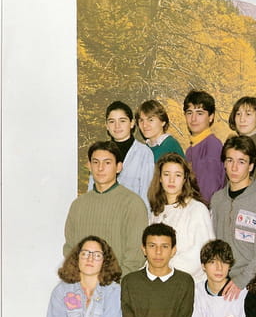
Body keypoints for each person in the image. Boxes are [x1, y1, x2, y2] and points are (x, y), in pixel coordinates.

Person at [210, 135, 256, 298]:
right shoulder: (217, 199)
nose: (234, 167)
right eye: (230, 160)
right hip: (222, 280)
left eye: (241, 162)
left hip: (254, 281)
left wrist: (243, 279)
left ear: (251, 166)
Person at [64, 141, 148, 275]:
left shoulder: (133, 203)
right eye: (95, 162)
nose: (100, 168)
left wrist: (114, 283)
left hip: (118, 283)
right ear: (89, 166)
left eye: (107, 163)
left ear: (118, 167)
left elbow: (135, 257)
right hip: (82, 283)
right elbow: (70, 249)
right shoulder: (78, 205)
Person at [148, 153, 214, 282]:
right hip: (160, 279)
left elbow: (201, 255)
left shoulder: (197, 209)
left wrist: (164, 272)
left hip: (189, 282)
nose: (171, 180)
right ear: (160, 178)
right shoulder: (156, 212)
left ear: (184, 179)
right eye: (167, 174)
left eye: (177, 175)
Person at [89, 101, 154, 208]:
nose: (117, 126)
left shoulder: (144, 153)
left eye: (122, 121)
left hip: (132, 214)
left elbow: (146, 195)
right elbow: (91, 190)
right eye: (112, 121)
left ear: (132, 123)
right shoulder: (99, 153)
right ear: (106, 125)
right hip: (102, 212)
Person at [184, 90, 225, 202]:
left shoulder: (212, 146)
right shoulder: (190, 150)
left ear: (211, 117)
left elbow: (208, 193)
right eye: (189, 113)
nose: (193, 119)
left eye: (200, 113)